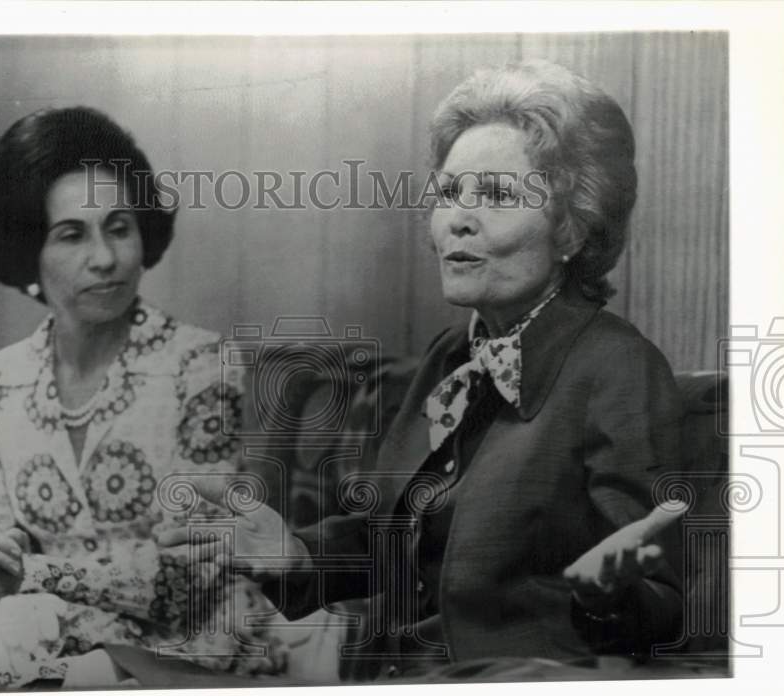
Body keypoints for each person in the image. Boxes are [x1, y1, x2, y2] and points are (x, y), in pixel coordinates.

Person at [160, 60, 687, 680]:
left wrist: (611, 597)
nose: (459, 218)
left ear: (573, 225)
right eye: (449, 192)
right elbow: (394, 540)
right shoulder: (451, 356)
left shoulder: (618, 366)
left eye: (496, 195)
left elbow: (666, 603)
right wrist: (297, 555)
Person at [0, 107, 287, 689]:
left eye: (119, 227)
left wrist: (23, 580)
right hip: (49, 629)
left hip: (189, 646)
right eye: (72, 234)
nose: (105, 258)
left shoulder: (199, 365)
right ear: (27, 253)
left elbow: (182, 581)